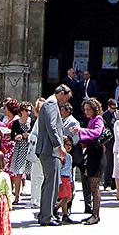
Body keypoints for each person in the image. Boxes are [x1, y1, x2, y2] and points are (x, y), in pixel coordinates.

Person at [36, 85, 71, 226]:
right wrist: (59, 145)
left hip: (49, 149)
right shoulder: (51, 103)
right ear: (61, 93)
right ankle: (46, 217)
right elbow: (51, 126)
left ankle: (47, 214)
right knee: (51, 183)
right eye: (66, 98)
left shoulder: (50, 103)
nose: (65, 102)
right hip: (49, 149)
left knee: (52, 183)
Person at [78, 97, 105, 224]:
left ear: (95, 109)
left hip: (97, 156)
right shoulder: (91, 120)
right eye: (85, 109)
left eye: (88, 109)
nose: (86, 112)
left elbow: (97, 132)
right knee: (92, 185)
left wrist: (81, 131)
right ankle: (93, 213)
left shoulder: (98, 119)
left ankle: (96, 215)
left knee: (95, 186)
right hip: (92, 154)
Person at [9, 101, 31, 202]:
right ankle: (17, 196)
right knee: (18, 173)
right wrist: (20, 136)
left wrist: (29, 136)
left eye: (30, 110)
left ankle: (33, 196)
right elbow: (12, 136)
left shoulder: (32, 122)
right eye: (26, 110)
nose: (28, 112)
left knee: (31, 172)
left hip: (30, 148)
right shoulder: (16, 123)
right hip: (20, 148)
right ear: (21, 111)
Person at [27, 98, 46, 210]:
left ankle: (37, 199)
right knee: (35, 177)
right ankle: (34, 199)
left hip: (39, 152)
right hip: (37, 152)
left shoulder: (41, 121)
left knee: (39, 177)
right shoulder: (39, 121)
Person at [56, 136, 75, 223]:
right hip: (62, 178)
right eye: (67, 145)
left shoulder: (69, 157)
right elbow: (59, 169)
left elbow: (70, 170)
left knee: (69, 197)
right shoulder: (61, 157)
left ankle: (58, 210)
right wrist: (59, 181)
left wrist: (72, 181)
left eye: (70, 145)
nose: (69, 147)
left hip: (68, 178)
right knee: (65, 197)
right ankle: (62, 212)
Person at [102, 99, 118, 189]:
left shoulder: (117, 114)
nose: (114, 109)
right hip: (109, 142)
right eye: (113, 108)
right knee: (109, 163)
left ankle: (114, 183)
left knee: (115, 163)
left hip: (116, 141)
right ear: (109, 107)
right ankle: (107, 183)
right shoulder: (105, 115)